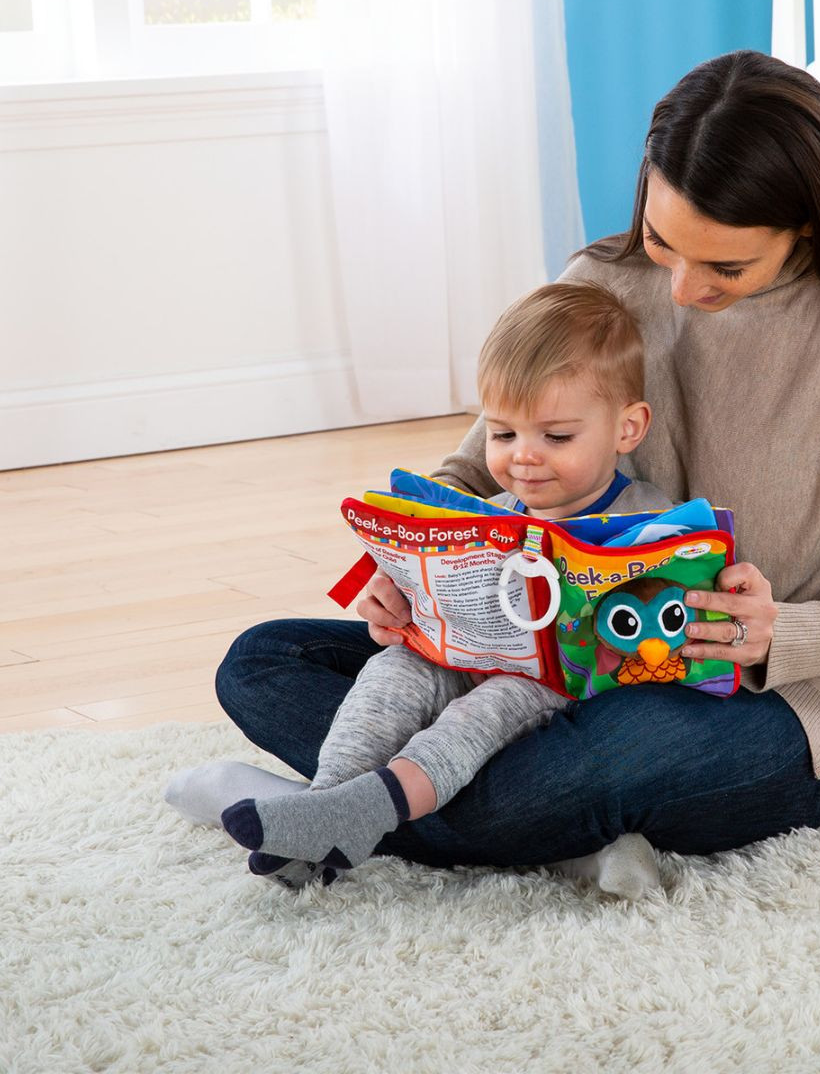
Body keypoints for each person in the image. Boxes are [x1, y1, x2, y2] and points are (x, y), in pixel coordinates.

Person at [210, 50, 820, 878]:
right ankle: (470, 817)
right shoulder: (603, 283)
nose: (681, 288)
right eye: (661, 242)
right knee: (263, 661)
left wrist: (771, 632)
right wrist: (407, 572)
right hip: (564, 665)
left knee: (567, 771)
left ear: (810, 227)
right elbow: (474, 472)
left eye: (725, 266)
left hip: (802, 698)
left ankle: (313, 805)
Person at [211, 282, 674, 891]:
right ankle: (323, 805)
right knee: (392, 671)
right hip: (465, 653)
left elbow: (667, 616)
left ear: (627, 428)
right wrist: (396, 595)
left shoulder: (650, 517)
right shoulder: (489, 512)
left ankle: (370, 811)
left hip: (557, 686)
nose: (523, 458)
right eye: (504, 435)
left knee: (484, 711)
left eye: (556, 437)